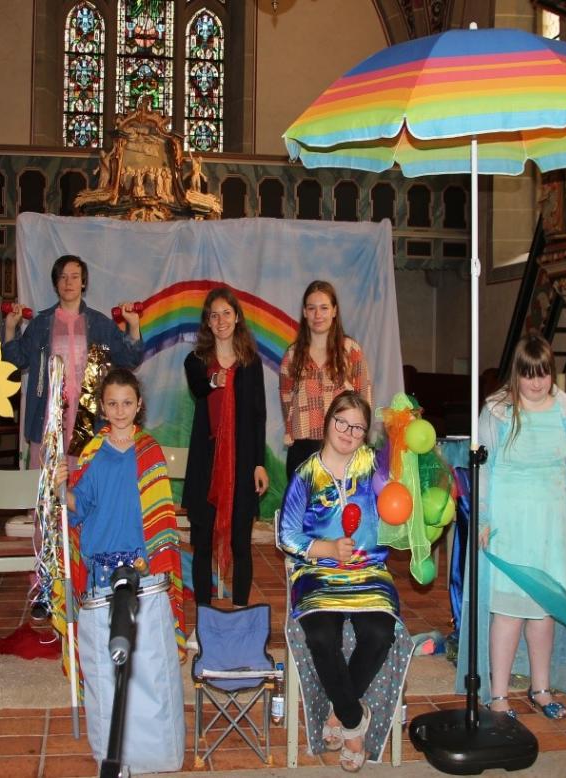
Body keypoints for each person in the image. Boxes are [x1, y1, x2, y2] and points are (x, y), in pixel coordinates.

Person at [460, 333, 566, 720]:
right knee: (509, 612)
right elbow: (482, 470)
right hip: (511, 524)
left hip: (553, 526)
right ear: (516, 375)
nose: (537, 383)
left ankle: (541, 687)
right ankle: (499, 694)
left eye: (544, 374)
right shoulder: (498, 412)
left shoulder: (564, 408)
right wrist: (483, 518)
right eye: (529, 375)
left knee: (544, 610)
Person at [58, 368, 185, 773]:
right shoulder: (93, 453)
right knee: (105, 667)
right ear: (101, 406)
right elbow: (81, 507)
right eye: (111, 403)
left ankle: (153, 750)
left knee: (147, 664)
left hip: (142, 566)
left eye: (127, 403)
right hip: (100, 568)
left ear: (139, 405)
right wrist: (61, 488)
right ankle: (112, 750)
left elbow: (161, 515)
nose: (119, 410)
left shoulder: (150, 451)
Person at [277, 391, 399, 772]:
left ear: (365, 434)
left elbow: (398, 502)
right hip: (317, 573)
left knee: (380, 632)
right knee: (320, 637)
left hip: (368, 570)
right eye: (341, 422)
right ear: (327, 421)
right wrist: (326, 548)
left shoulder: (375, 468)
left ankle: (338, 713)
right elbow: (286, 535)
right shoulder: (306, 474)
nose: (348, 432)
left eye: (358, 427)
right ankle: (353, 723)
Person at [2, 254, 143, 468]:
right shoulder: (41, 324)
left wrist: (133, 326)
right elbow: (17, 360)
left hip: (89, 415)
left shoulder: (100, 324)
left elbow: (130, 359)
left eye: (75, 277)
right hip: (48, 416)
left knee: (86, 487)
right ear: (56, 283)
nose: (69, 282)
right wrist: (11, 328)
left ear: (83, 282)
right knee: (49, 490)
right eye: (63, 277)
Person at [183, 288, 268, 607]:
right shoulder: (196, 361)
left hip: (243, 464)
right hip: (207, 464)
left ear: (237, 318)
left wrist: (259, 464)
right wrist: (214, 381)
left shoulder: (251, 362)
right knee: (202, 545)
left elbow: (259, 415)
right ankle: (204, 617)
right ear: (207, 321)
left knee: (241, 544)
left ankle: (240, 611)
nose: (220, 320)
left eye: (226, 313)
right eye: (213, 315)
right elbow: (198, 386)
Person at [279, 281, 372, 481]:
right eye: (311, 308)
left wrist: (359, 437)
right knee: (302, 510)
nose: (317, 315)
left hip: (343, 448)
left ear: (334, 311)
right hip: (302, 449)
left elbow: (364, 399)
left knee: (342, 511)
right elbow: (287, 401)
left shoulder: (351, 350)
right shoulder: (292, 355)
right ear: (304, 312)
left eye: (324, 308)